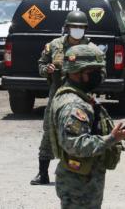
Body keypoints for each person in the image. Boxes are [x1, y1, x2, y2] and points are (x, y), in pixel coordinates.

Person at [50, 44, 125, 208]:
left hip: (84, 180)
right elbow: (74, 144)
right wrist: (111, 139)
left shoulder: (79, 97)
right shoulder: (74, 105)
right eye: (93, 71)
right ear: (76, 72)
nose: (99, 75)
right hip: (79, 186)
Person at [30, 10, 90, 185]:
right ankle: (43, 173)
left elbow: (101, 72)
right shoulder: (54, 46)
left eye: (81, 27)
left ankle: (79, 173)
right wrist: (46, 69)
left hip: (80, 98)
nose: (77, 30)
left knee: (79, 132)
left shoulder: (90, 48)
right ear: (67, 27)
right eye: (74, 27)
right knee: (49, 132)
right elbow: (41, 64)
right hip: (57, 96)